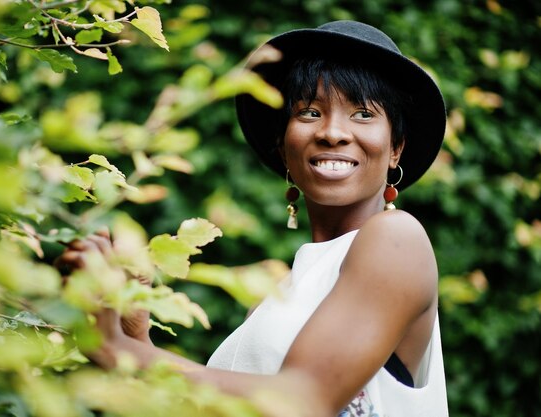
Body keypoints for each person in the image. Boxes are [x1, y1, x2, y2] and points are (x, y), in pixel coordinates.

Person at [58, 20, 449, 417]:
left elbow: (303, 399)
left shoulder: (397, 239)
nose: (333, 132)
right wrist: (134, 335)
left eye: (363, 114)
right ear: (283, 148)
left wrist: (119, 349)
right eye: (310, 112)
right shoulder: (270, 301)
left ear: (396, 148)